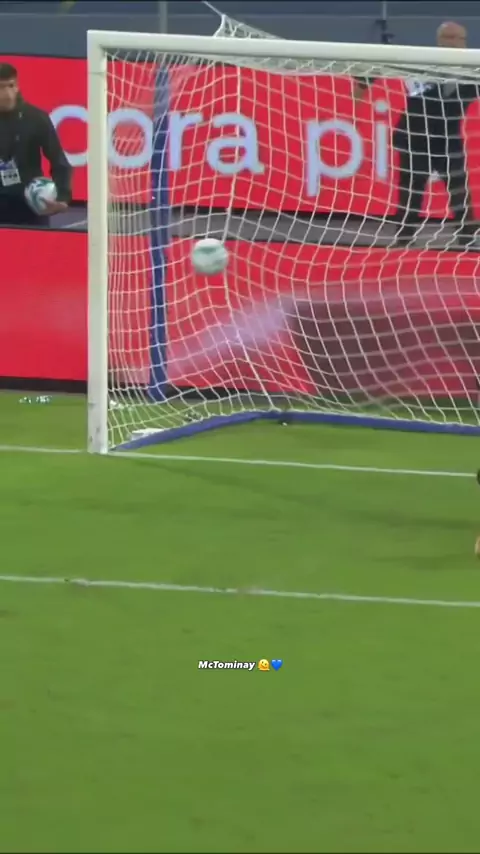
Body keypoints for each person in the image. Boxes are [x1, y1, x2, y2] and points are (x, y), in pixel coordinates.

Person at [354, 22, 478, 249]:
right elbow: (378, 64)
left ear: (465, 42)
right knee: (411, 190)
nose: (453, 43)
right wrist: (361, 87)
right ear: (439, 40)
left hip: (448, 139)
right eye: (448, 37)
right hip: (415, 137)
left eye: (458, 38)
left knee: (459, 190)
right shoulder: (420, 63)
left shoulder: (472, 69)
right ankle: (404, 238)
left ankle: (468, 237)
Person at [0, 61, 71, 226]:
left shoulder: (36, 118)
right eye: (1, 87)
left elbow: (59, 160)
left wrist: (62, 198)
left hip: (29, 205)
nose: (7, 93)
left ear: (17, 86)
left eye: (11, 86)